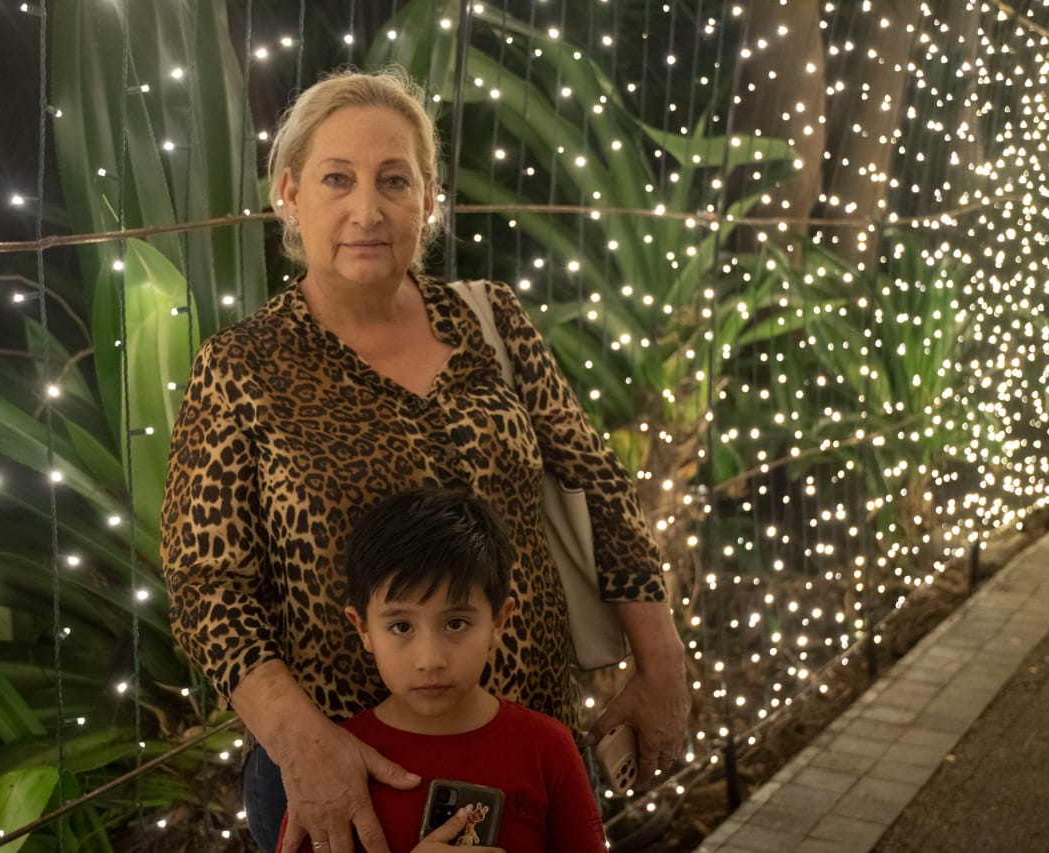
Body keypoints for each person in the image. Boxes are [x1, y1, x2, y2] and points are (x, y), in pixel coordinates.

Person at [160, 66, 689, 853]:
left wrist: (662, 660)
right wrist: (302, 743)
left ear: (429, 199)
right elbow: (208, 586)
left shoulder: (492, 319)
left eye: (394, 180)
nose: (366, 210)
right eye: (337, 178)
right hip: (355, 775)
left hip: (527, 748)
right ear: (290, 193)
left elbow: (597, 483)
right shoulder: (241, 367)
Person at [275, 486, 608, 852]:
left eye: (455, 624)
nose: (430, 660)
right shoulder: (333, 768)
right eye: (401, 626)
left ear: (498, 622)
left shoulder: (548, 749)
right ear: (363, 628)